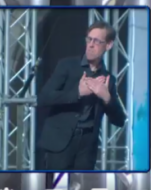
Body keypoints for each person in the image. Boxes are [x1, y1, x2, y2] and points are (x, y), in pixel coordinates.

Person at [36, 20, 127, 172]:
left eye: (97, 41)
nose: (91, 45)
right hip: (60, 143)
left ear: (109, 45)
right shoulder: (67, 65)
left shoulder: (107, 78)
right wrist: (77, 93)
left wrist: (107, 98)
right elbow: (44, 98)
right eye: (89, 39)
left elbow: (119, 120)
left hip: (86, 147)